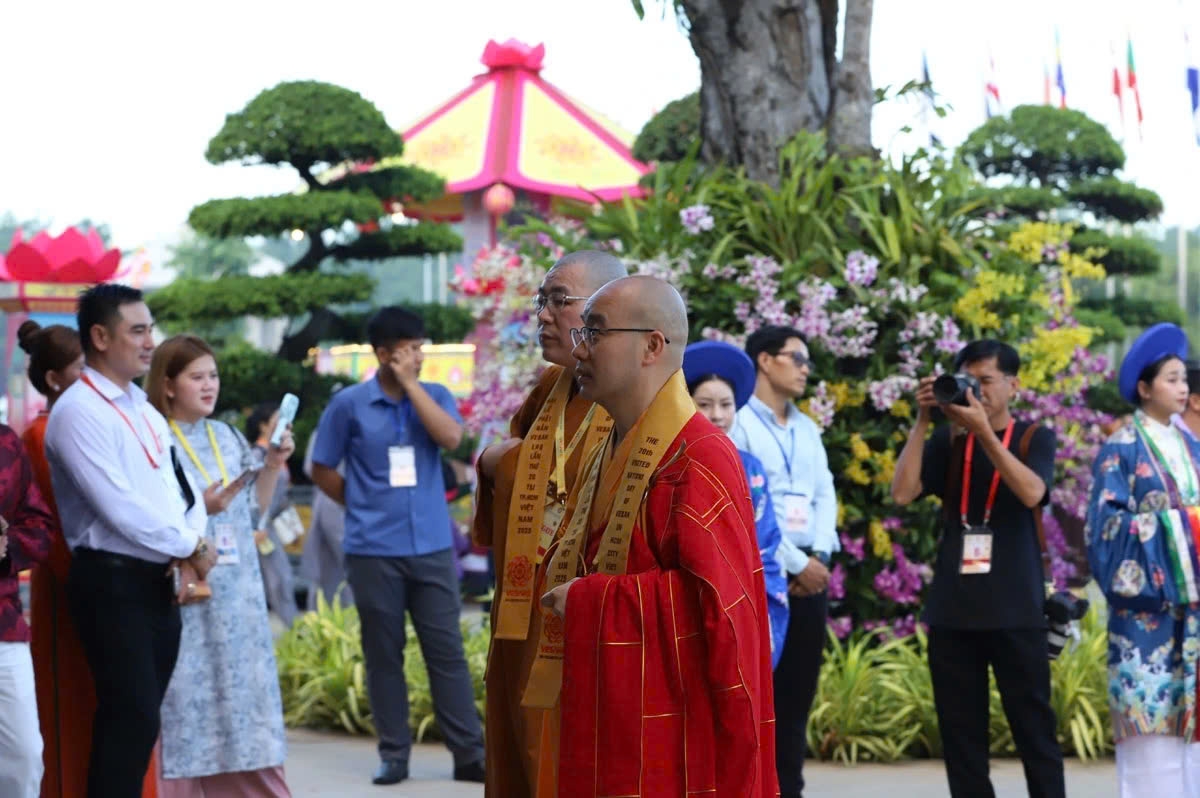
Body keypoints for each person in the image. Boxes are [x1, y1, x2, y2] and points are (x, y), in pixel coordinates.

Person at [536, 276, 778, 796]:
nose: (579, 346)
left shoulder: (700, 455)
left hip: (675, 736)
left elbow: (719, 610)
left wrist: (589, 599)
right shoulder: (609, 446)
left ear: (652, 345)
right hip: (611, 709)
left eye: (595, 332)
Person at [44, 284, 217, 798]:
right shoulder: (77, 411)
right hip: (111, 580)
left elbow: (179, 486)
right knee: (131, 718)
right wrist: (189, 546)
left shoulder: (141, 406)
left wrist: (194, 539)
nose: (149, 342)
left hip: (157, 580)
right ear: (100, 336)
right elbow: (119, 508)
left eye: (150, 329)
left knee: (141, 724)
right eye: (137, 330)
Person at [472, 250, 625, 797]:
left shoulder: (631, 394)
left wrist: (496, 461)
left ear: (607, 308)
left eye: (559, 300)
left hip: (581, 610)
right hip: (524, 606)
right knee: (517, 747)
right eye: (541, 300)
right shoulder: (550, 389)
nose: (541, 314)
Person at [311, 306, 485, 786]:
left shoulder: (436, 395)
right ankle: (394, 756)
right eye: (408, 349)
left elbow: (452, 438)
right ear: (383, 354)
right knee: (383, 653)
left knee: (445, 651)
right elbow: (321, 468)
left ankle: (469, 754)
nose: (418, 356)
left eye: (421, 347)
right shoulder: (348, 405)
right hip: (372, 550)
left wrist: (410, 387)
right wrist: (360, 504)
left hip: (430, 545)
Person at [891, 339, 1064, 798]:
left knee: (1035, 733)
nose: (977, 391)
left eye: (985, 381)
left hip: (1017, 610)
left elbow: (1033, 494)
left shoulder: (1033, 437)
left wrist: (985, 433)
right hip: (953, 611)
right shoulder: (949, 442)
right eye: (969, 380)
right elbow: (903, 493)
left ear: (1014, 383)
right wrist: (925, 419)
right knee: (961, 739)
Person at [19, 321, 163, 798]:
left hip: (107, 580)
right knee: (80, 703)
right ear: (55, 378)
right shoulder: (42, 434)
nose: (91, 378)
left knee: (124, 706)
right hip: (75, 583)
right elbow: (55, 525)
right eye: (82, 369)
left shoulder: (114, 418)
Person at [145, 335, 294, 795]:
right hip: (186, 598)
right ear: (168, 385)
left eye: (213, 376)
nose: (210, 386)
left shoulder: (226, 435)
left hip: (239, 600)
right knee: (186, 704)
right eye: (197, 377)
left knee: (243, 709)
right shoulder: (152, 436)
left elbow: (252, 513)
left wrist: (271, 464)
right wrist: (201, 511)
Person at [1086, 323, 1200, 796]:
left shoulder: (1193, 447)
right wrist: (1184, 528)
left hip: (1193, 621)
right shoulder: (1121, 449)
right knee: (1151, 751)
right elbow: (1105, 533)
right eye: (1171, 378)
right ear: (1144, 387)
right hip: (1145, 623)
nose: (1183, 387)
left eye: (1183, 379)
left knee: (1194, 752)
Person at [730, 325, 837, 798]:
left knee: (795, 703)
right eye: (797, 358)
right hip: (766, 577)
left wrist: (821, 556)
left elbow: (825, 497)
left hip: (810, 579)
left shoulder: (809, 429)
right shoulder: (738, 424)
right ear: (766, 361)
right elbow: (750, 508)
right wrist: (794, 564)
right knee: (755, 698)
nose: (805, 369)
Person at [683, 340, 791, 666]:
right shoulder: (671, 461)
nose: (716, 415)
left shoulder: (751, 468)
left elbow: (767, 541)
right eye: (704, 404)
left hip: (745, 591)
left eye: (725, 404)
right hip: (689, 594)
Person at [0, 424, 53, 798]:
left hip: (4, 623)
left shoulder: (5, 442)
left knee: (25, 756)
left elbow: (40, 527)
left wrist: (6, 543)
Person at [246, 401, 300, 627]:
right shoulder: (257, 455)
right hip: (260, 531)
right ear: (263, 426)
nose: (285, 426)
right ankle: (297, 634)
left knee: (280, 579)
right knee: (278, 581)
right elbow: (251, 496)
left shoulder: (277, 452)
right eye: (278, 421)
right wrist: (255, 527)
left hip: (270, 529)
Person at [300, 427, 350, 609]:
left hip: (341, 501)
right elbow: (311, 468)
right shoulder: (325, 431)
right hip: (333, 500)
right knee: (339, 563)